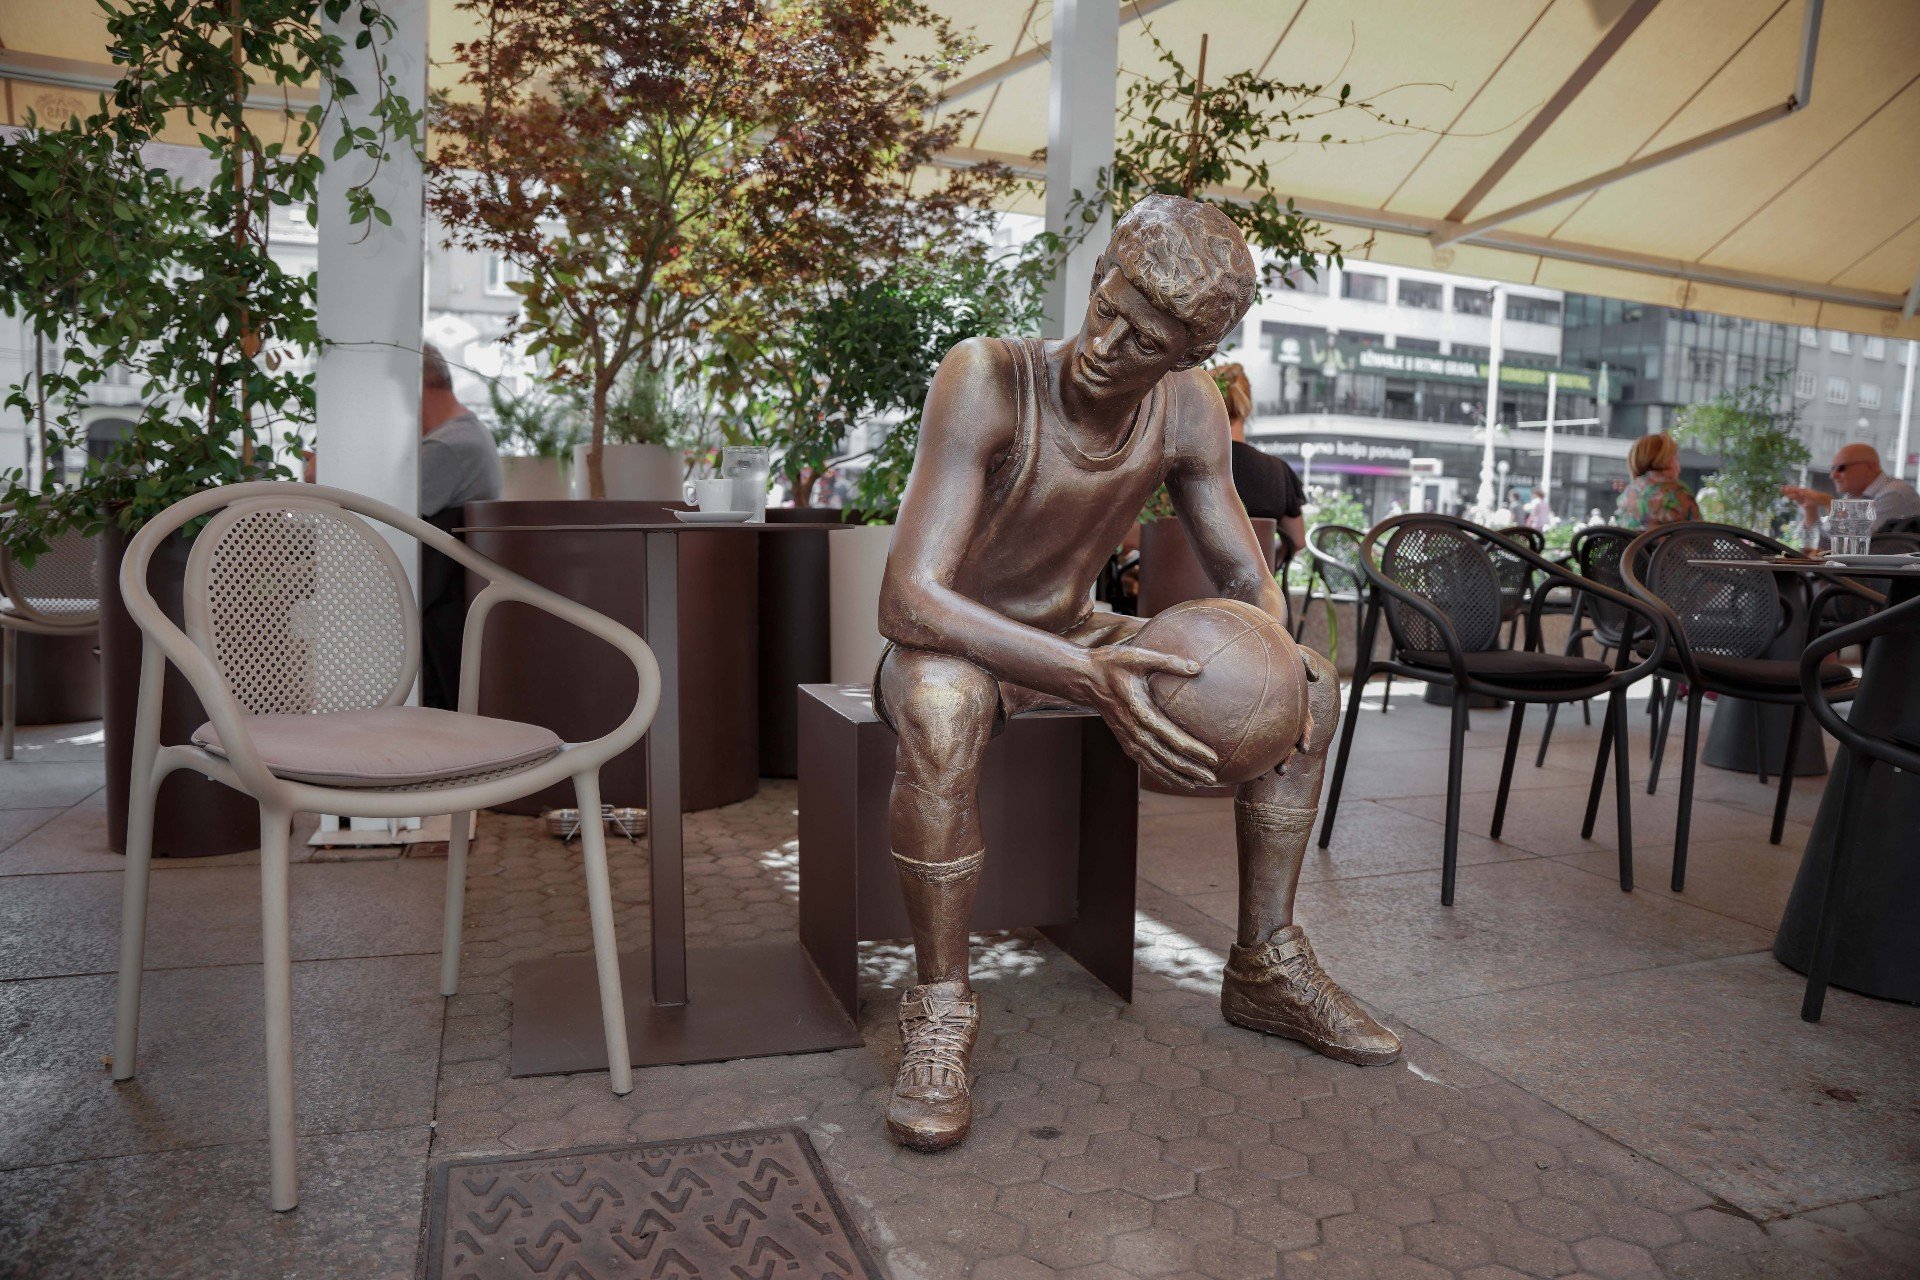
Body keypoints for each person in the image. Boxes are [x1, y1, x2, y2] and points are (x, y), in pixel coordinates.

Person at [874, 195, 1397, 1154]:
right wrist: (1089, 676)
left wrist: (1259, 669)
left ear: (1189, 357)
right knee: (943, 708)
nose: (1107, 345)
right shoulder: (988, 377)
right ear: (1099, 278)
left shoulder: (1188, 408)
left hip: (1079, 630)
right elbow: (909, 597)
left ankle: (1266, 964)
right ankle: (941, 1006)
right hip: (958, 641)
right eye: (1108, 308)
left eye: (1146, 341)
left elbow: (1248, 581)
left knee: (1313, 684)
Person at [417, 343, 502, 709]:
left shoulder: (447, 447)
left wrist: (320, 478)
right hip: (447, 615)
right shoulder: (467, 435)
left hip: (437, 618)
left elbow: (373, 514)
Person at [1214, 363, 1306, 557]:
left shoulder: (1181, 469)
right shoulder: (1278, 472)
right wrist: (1266, 564)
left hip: (1184, 576)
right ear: (1247, 408)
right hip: (1256, 576)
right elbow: (1297, 542)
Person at [1781, 443, 1920, 547]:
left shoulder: (1894, 494)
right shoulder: (1853, 497)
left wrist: (1830, 504)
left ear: (1869, 467)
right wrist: (1810, 509)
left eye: (1841, 468)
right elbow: (1825, 546)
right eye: (1832, 469)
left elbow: (1857, 547)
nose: (1833, 475)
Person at [1614, 432, 1698, 529]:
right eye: (1676, 459)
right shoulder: (1677, 492)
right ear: (1666, 460)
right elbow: (1701, 534)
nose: (1679, 468)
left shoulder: (1628, 493)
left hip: (1632, 540)